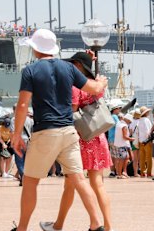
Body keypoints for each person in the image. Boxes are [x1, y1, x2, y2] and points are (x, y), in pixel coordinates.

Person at [10, 29, 108, 231]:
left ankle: (21, 229)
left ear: (36, 48)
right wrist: (101, 82)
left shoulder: (30, 70)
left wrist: (17, 134)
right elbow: (94, 89)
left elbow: (22, 105)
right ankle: (96, 224)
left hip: (45, 131)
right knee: (80, 179)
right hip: (68, 132)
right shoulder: (68, 69)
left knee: (30, 181)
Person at [40, 51, 114, 231]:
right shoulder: (97, 85)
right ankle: (109, 227)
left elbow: (71, 112)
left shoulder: (75, 87)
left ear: (79, 66)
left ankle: (58, 226)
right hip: (98, 136)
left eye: (73, 63)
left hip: (80, 139)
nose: (70, 67)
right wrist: (90, 59)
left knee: (70, 184)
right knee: (98, 184)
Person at [113, 114, 134, 179]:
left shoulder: (119, 124)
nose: (130, 123)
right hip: (123, 144)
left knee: (125, 157)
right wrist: (132, 139)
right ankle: (119, 174)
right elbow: (125, 136)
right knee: (122, 159)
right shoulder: (124, 126)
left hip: (119, 144)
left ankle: (124, 172)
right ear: (127, 120)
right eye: (130, 121)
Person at [136, 106, 153, 177]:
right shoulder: (147, 120)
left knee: (142, 158)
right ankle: (149, 172)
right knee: (149, 158)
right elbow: (148, 131)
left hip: (140, 141)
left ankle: (142, 172)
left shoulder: (138, 121)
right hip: (147, 141)